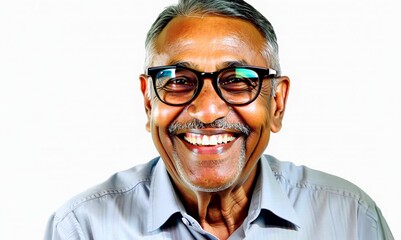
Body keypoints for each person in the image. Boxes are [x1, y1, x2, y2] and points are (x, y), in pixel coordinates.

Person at [44, 0, 394, 239]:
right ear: (148, 102)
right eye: (179, 81)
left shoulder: (350, 219)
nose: (208, 111)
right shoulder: (83, 228)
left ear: (278, 103)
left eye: (238, 80)